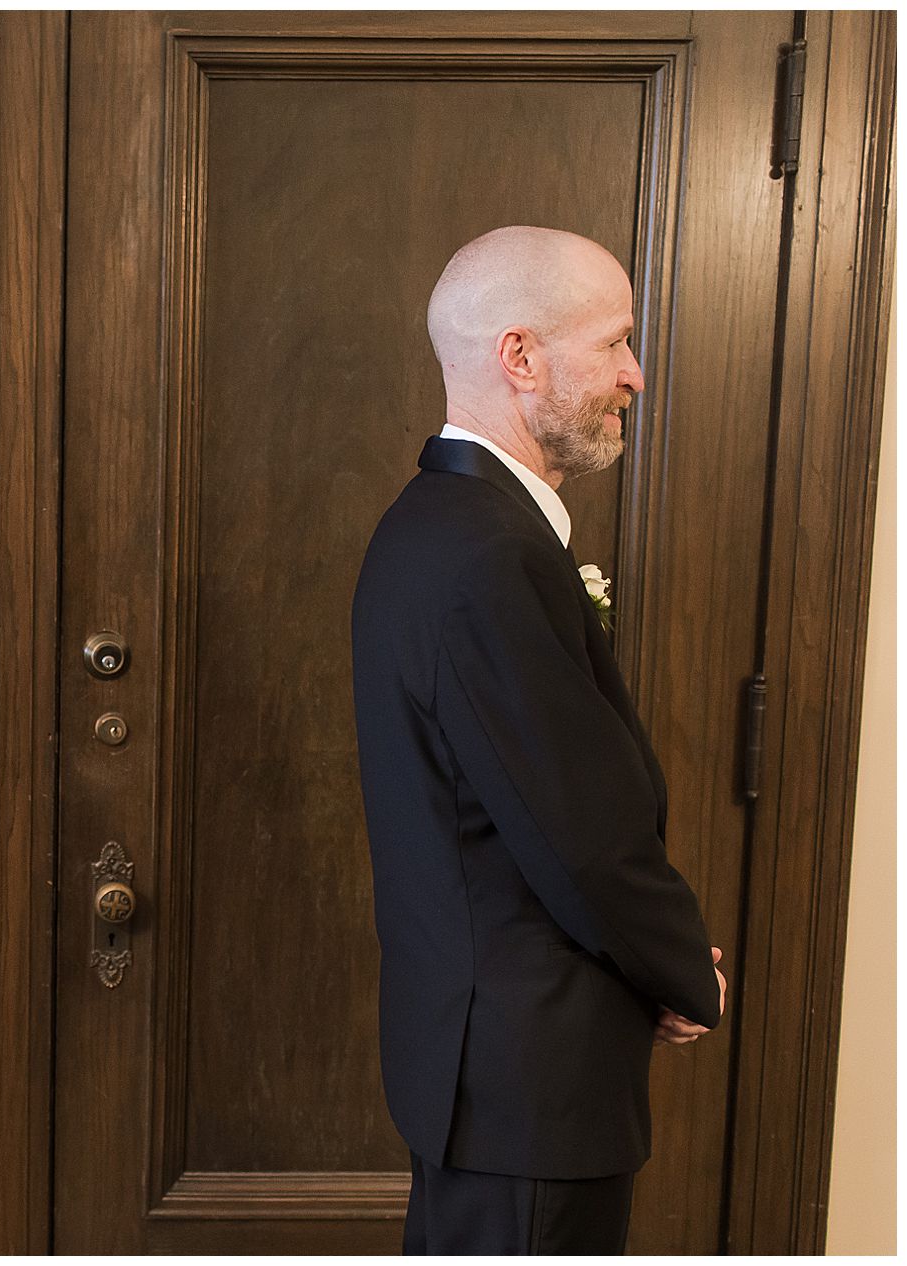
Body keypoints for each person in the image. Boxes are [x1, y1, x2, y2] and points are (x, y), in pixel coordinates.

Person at [350, 226, 727, 1254]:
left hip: (493, 1064)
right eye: (614, 343)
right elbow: (579, 835)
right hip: (528, 1081)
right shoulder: (488, 553)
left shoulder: (434, 524)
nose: (634, 374)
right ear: (519, 357)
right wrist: (681, 972)